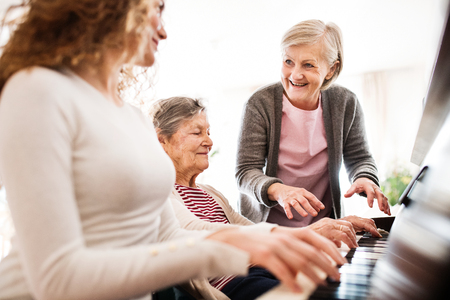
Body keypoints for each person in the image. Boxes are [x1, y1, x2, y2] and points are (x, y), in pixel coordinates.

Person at [0, 2, 344, 300]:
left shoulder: (129, 115)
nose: (163, 31)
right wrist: (246, 246)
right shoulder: (37, 90)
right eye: (157, 9)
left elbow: (168, 235)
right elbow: (58, 278)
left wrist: (268, 237)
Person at [152, 96, 380, 299]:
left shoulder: (210, 193)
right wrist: (310, 233)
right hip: (236, 284)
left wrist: (327, 228)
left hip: (261, 270)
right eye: (196, 132)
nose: (209, 142)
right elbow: (196, 234)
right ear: (162, 140)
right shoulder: (160, 193)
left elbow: (256, 233)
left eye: (208, 132)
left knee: (339, 281)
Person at [236, 19, 391, 228]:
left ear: (331, 69)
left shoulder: (345, 102)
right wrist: (279, 190)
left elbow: (360, 158)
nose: (295, 74)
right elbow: (246, 172)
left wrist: (364, 177)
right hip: (269, 229)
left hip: (324, 225)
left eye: (308, 65)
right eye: (288, 61)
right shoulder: (259, 104)